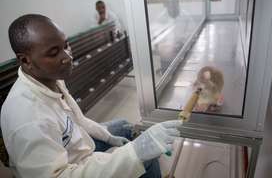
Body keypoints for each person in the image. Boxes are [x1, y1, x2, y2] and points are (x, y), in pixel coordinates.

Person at [0, 14, 182, 178]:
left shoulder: (50, 79)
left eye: (66, 45)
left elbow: (78, 120)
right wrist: (135, 153)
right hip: (70, 165)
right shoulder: (28, 119)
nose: (67, 57)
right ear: (25, 60)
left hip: (74, 146)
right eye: (53, 53)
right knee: (144, 161)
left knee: (123, 127)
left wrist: (111, 139)